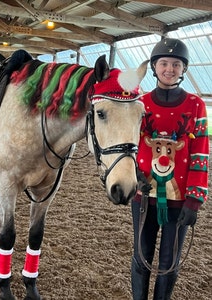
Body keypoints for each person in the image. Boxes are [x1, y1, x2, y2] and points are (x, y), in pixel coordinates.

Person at [131, 38, 209, 300]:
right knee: (141, 258)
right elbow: (129, 146)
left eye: (176, 64)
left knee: (169, 263)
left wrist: (195, 198)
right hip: (143, 197)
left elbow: (200, 151)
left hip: (179, 200)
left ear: (183, 69)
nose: (169, 69)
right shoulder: (139, 103)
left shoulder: (196, 105)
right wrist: (134, 176)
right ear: (154, 67)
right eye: (164, 63)